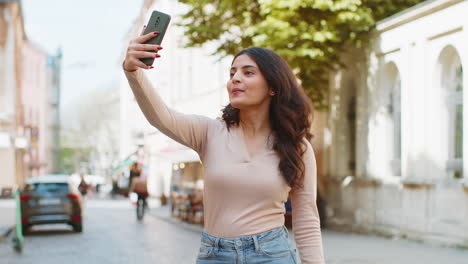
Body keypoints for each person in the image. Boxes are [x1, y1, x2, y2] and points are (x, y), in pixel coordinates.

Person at [122, 28, 325, 263]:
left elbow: (307, 219)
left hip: (271, 254)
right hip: (215, 255)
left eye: (248, 72)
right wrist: (133, 71)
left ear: (272, 87)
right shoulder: (210, 132)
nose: (235, 78)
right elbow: (162, 117)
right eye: (232, 73)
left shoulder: (296, 147)